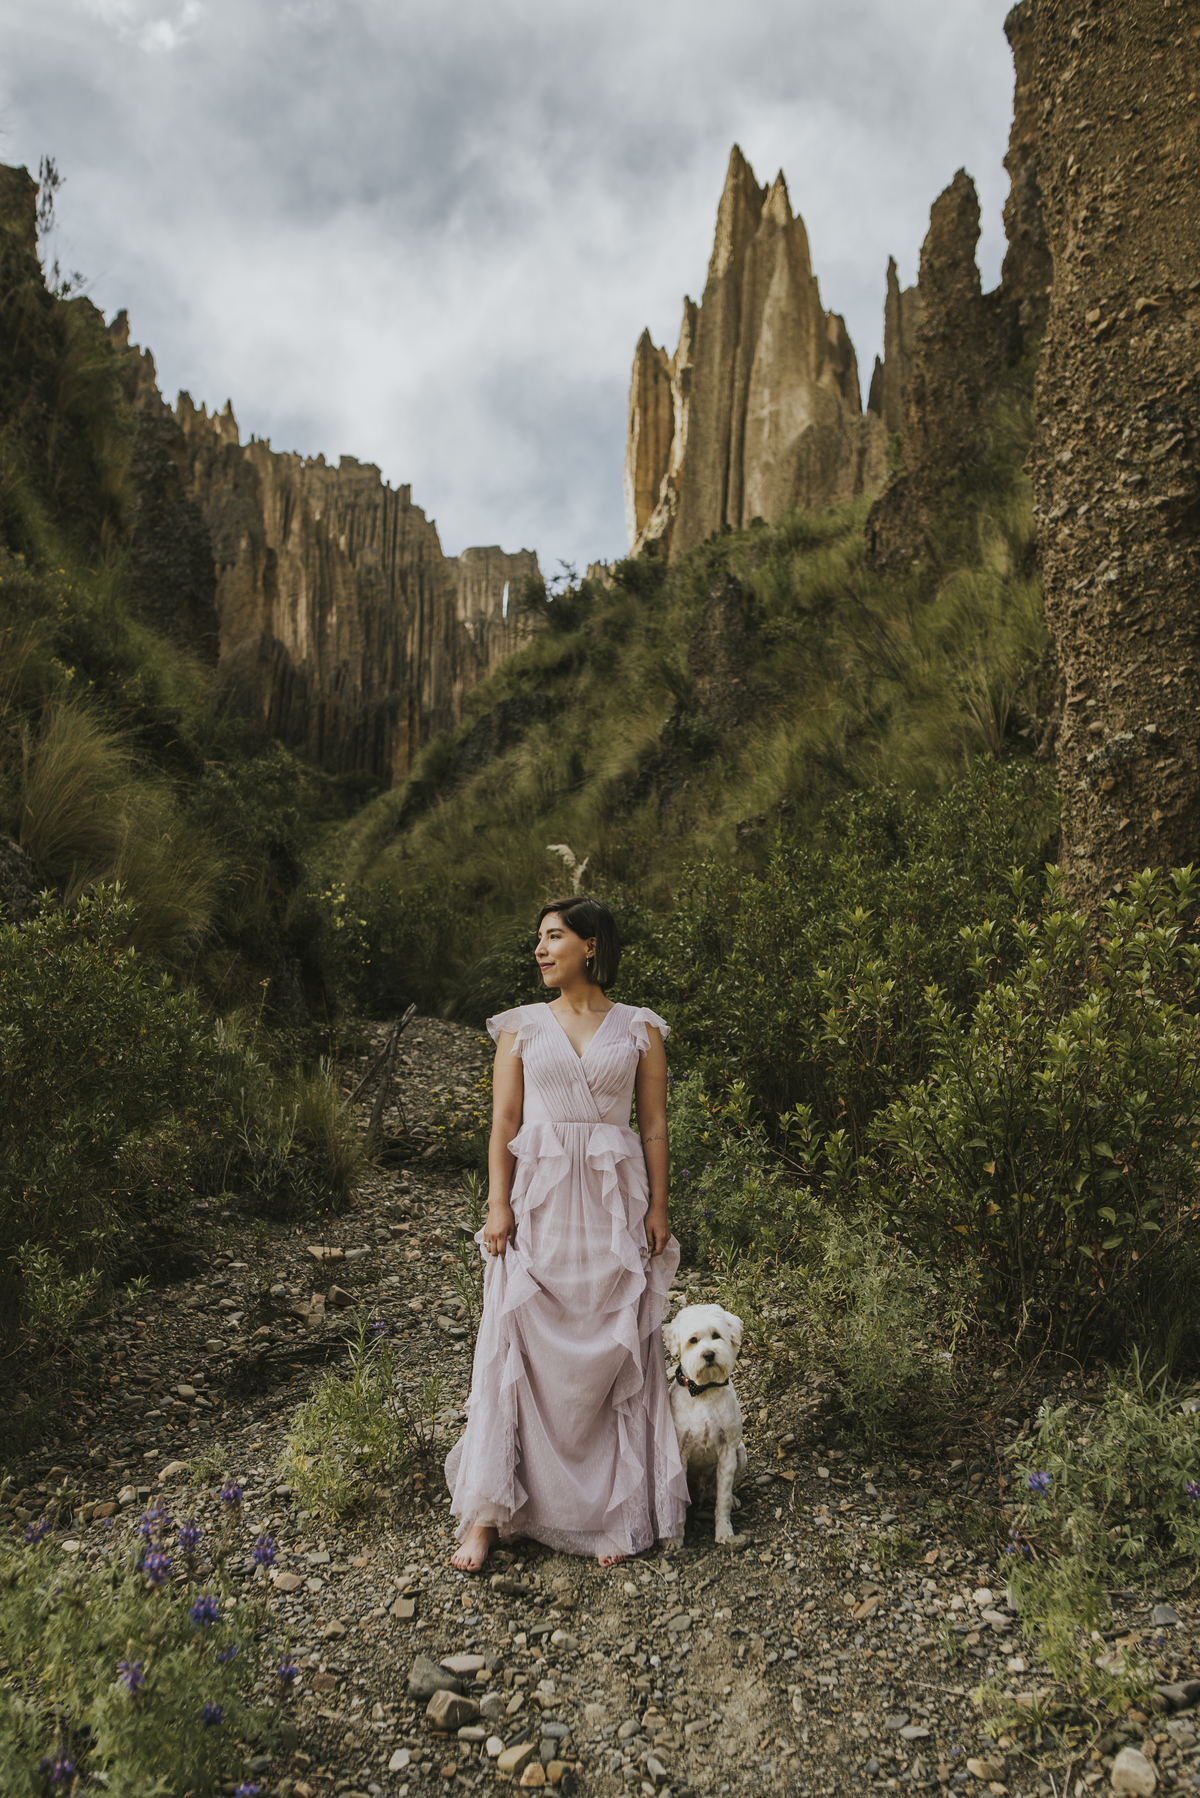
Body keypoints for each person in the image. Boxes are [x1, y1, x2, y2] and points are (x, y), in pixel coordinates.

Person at [444, 895, 688, 1569]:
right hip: (542, 1200)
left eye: (554, 937)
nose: (540, 950)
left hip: (612, 1207)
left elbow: (654, 1127)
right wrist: (498, 1204)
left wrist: (659, 1207)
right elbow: (503, 1121)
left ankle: (611, 1511)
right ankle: (488, 1516)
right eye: (539, 940)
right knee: (515, 1342)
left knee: (613, 1352)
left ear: (590, 946)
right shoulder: (521, 1027)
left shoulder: (640, 1028)